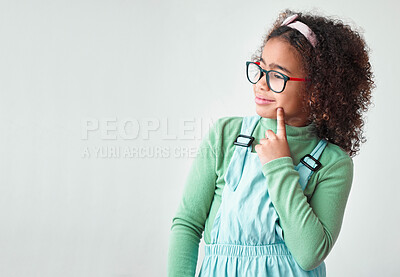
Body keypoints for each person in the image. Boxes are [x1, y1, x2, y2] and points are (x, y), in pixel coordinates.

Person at [167, 9, 374, 277]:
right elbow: (187, 224)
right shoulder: (225, 134)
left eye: (277, 75)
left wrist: (279, 167)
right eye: (260, 68)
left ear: (317, 89)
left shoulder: (333, 163)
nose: (261, 84)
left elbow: (309, 253)